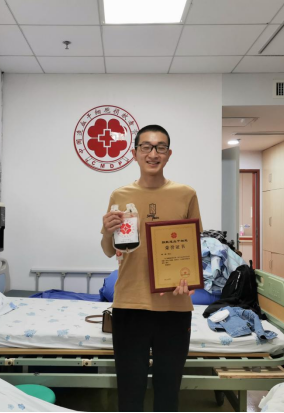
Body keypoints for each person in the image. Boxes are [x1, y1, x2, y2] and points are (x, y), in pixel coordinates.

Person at [101, 125, 203, 413]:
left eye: (160, 147)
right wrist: (107, 231)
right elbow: (109, 250)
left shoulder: (186, 194)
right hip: (130, 305)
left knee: (168, 393)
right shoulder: (120, 194)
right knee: (129, 393)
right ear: (135, 153)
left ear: (169, 154)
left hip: (175, 307)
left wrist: (189, 279)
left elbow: (193, 248)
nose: (153, 153)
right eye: (146, 147)